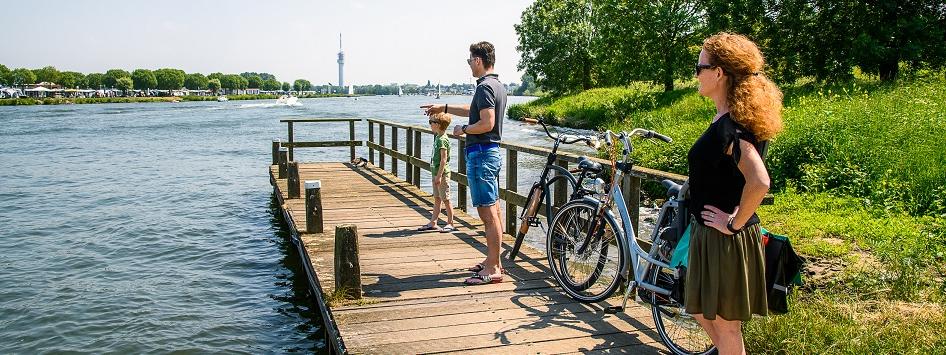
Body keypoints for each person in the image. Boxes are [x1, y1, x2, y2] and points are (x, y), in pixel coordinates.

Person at [686, 32, 783, 355]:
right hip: (710, 235)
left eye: (699, 66)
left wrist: (733, 223)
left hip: (725, 239)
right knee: (699, 307)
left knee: (727, 325)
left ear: (719, 73)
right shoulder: (727, 120)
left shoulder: (732, 128)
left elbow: (759, 181)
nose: (695, 73)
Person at [421, 41, 506, 285]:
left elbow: (486, 122)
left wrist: (463, 129)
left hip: (481, 154)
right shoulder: (497, 86)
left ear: (478, 60)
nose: (469, 64)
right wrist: (444, 107)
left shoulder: (484, 88)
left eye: (470, 60)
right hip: (490, 153)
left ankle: (492, 268)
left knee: (487, 213)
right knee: (495, 210)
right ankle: (494, 260)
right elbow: (475, 110)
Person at [417, 112, 456, 233]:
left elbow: (444, 159)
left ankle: (450, 223)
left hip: (442, 174)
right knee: (437, 198)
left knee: (446, 199)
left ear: (438, 125)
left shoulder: (442, 140)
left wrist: (439, 176)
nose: (430, 124)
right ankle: (433, 222)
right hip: (436, 173)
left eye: (431, 122)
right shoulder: (438, 137)